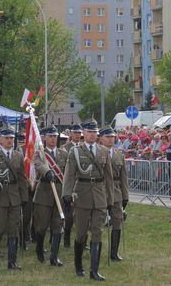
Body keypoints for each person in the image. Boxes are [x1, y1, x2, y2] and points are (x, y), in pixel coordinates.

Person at [62, 119, 114, 281]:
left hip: (99, 195)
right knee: (81, 233)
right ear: (83, 133)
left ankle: (94, 270)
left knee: (97, 232)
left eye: (95, 132)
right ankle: (78, 265)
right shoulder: (75, 152)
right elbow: (69, 174)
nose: (92, 135)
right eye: (89, 132)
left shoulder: (103, 151)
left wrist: (110, 201)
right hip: (82, 194)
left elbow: (109, 178)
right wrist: (67, 194)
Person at [0, 128, 29, 270]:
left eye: (11, 138)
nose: (10, 140)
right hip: (0, 196)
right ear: (0, 140)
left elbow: (22, 178)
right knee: (0, 228)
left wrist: (24, 197)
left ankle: (12, 261)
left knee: (13, 229)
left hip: (14, 196)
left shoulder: (18, 156)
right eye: (6, 138)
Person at [32, 125, 68, 266]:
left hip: (59, 193)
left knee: (57, 226)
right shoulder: (40, 153)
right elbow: (38, 164)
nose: (53, 139)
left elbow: (68, 173)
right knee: (41, 226)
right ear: (45, 137)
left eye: (55, 136)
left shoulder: (64, 154)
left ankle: (54, 256)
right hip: (44, 194)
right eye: (50, 136)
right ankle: (39, 249)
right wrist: (46, 172)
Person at [99, 126, 129, 262]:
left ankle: (114, 252)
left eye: (112, 137)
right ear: (101, 138)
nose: (111, 139)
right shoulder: (96, 153)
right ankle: (92, 247)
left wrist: (125, 196)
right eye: (108, 137)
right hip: (99, 189)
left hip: (116, 191)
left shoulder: (119, 155)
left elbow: (123, 177)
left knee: (117, 220)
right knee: (95, 221)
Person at [61, 123, 83, 248]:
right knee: (69, 215)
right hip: (69, 183)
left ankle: (82, 240)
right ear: (70, 134)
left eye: (79, 133)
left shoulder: (84, 147)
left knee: (82, 216)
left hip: (81, 185)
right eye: (75, 133)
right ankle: (67, 236)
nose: (78, 135)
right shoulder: (65, 148)